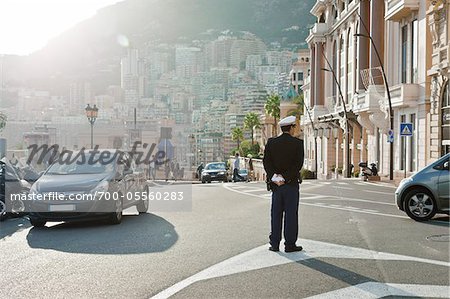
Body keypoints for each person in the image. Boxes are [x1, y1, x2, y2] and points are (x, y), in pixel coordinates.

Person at [263, 115, 304, 253]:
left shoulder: (271, 142)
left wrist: (275, 177)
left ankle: (274, 244)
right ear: (291, 128)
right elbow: (297, 165)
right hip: (291, 185)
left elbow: (266, 163)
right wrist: (285, 178)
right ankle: (290, 244)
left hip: (276, 186)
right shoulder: (298, 144)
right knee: (291, 215)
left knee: (276, 214)